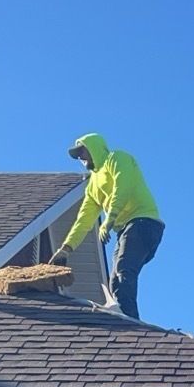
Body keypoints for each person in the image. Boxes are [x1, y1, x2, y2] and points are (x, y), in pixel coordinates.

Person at [53, 133, 163, 318]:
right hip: (125, 230)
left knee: (124, 271)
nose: (80, 157)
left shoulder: (117, 158)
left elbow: (123, 186)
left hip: (144, 222)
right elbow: (84, 220)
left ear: (94, 148)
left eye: (82, 151)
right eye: (77, 155)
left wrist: (109, 219)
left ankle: (132, 322)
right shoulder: (93, 186)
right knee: (115, 281)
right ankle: (126, 317)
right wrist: (66, 249)